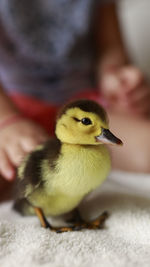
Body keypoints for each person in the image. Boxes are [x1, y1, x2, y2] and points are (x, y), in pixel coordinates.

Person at [0, 0, 150, 190]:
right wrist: (6, 121)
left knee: (146, 148)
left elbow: (110, 49)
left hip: (86, 105)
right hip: (13, 110)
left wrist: (116, 80)